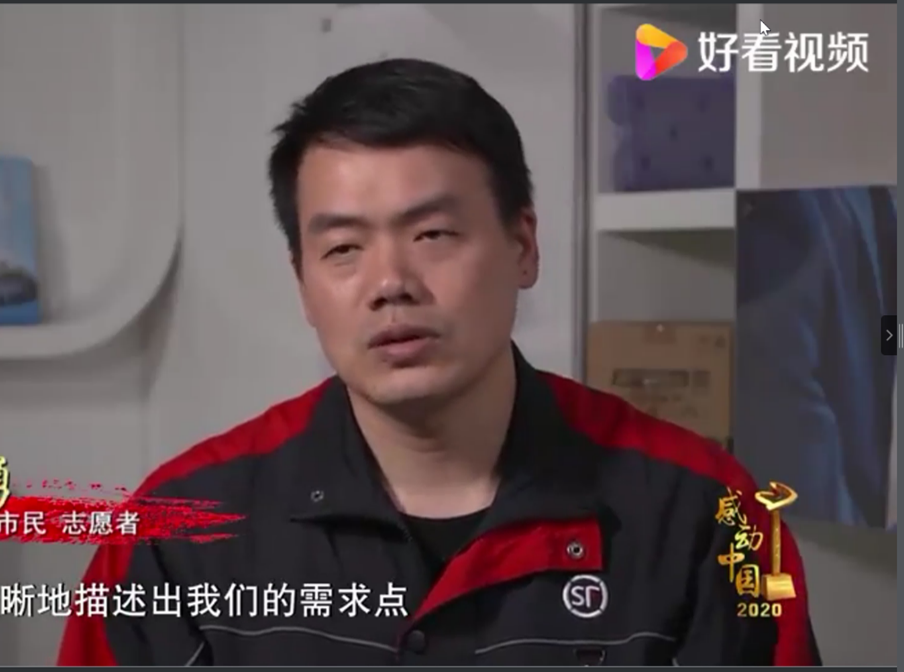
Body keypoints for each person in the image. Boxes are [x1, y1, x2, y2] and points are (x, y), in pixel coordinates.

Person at [58, 59, 820, 666]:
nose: (390, 283)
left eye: (431, 235)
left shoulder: (707, 516)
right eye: (343, 249)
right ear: (302, 283)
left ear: (522, 246)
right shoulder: (177, 535)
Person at [735, 186, 897, 529]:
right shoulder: (789, 219)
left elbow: (888, 336)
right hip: (829, 537)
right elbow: (805, 505)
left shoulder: (873, 200)